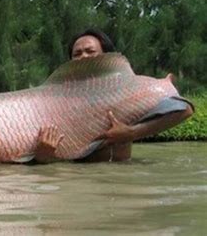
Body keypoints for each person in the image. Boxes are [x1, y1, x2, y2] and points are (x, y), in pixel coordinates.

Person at [68, 28, 194, 162]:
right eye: (77, 54)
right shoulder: (59, 100)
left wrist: (131, 133)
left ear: (107, 56)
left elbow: (184, 109)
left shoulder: (127, 90)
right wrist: (45, 153)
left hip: (119, 173)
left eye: (90, 51)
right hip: (75, 173)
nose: (83, 57)